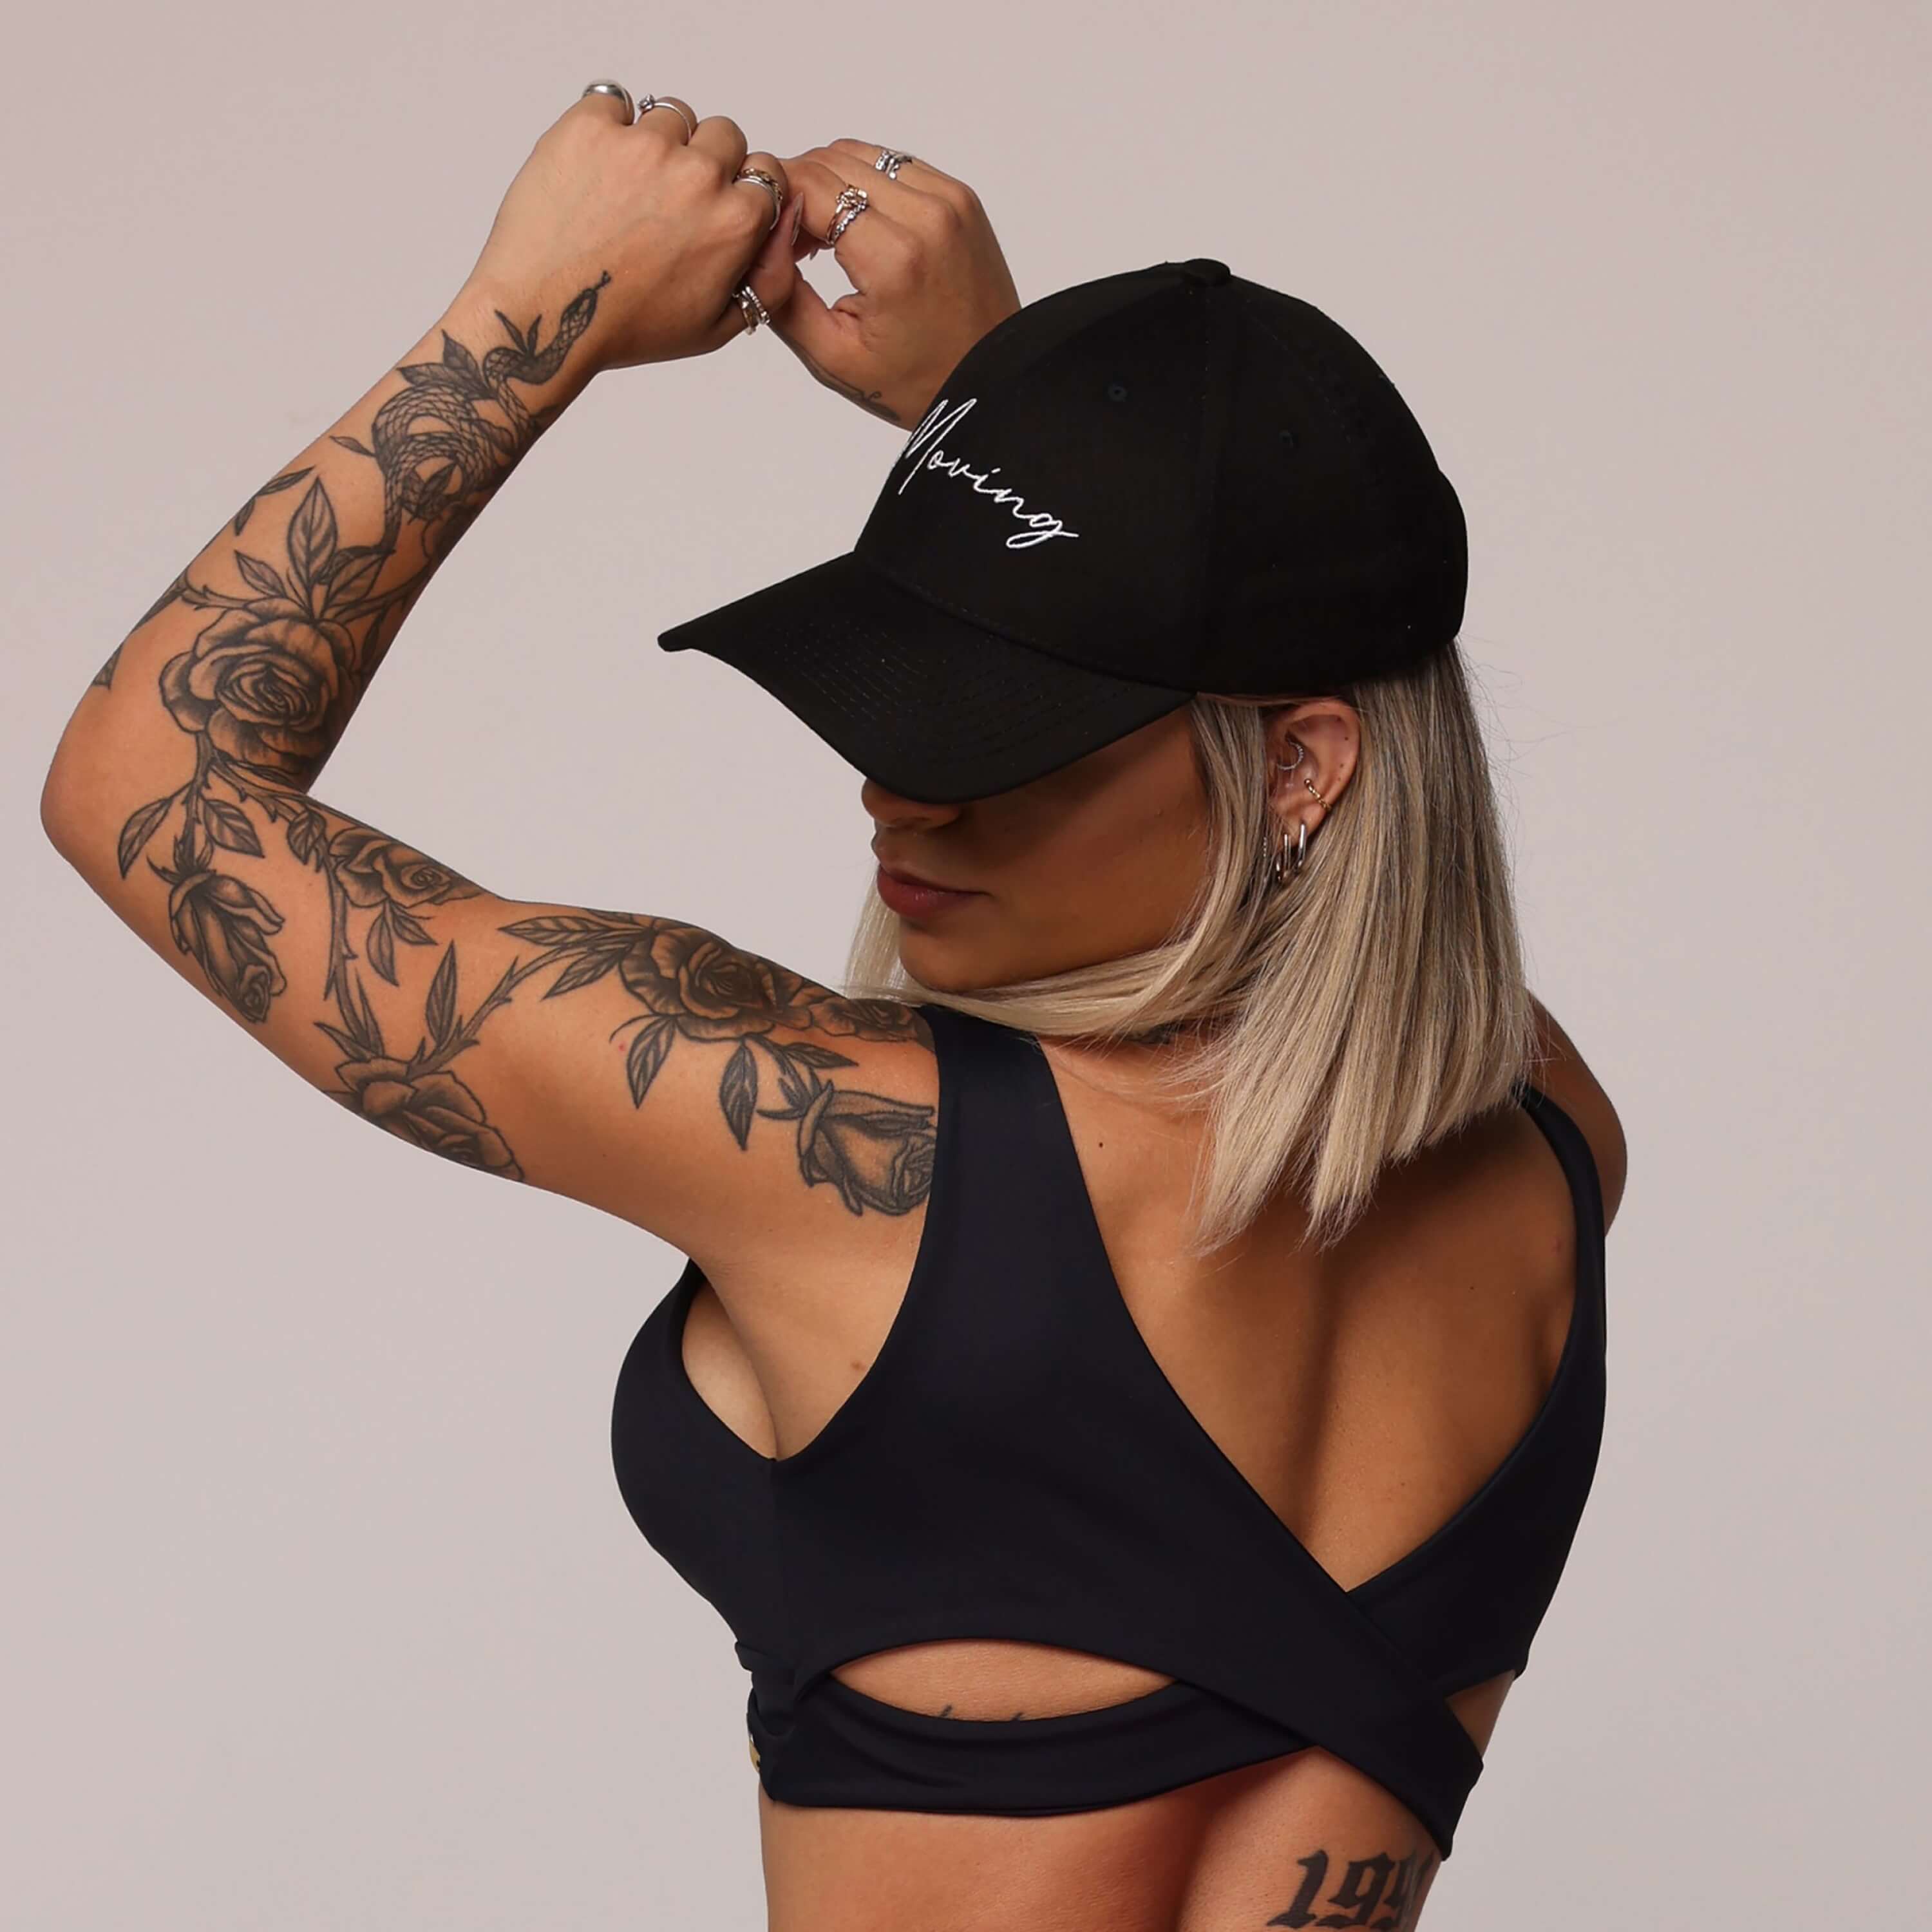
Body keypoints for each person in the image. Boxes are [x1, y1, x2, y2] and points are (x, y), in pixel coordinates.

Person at [39, 79, 1627, 1932]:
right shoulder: (1546, 1137)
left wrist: (533, 310)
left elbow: (143, 786)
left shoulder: (858, 1159)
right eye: (901, 709)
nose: (897, 795)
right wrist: (1020, 425)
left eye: (1004, 739)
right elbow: (1387, 929)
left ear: (1299, 768)